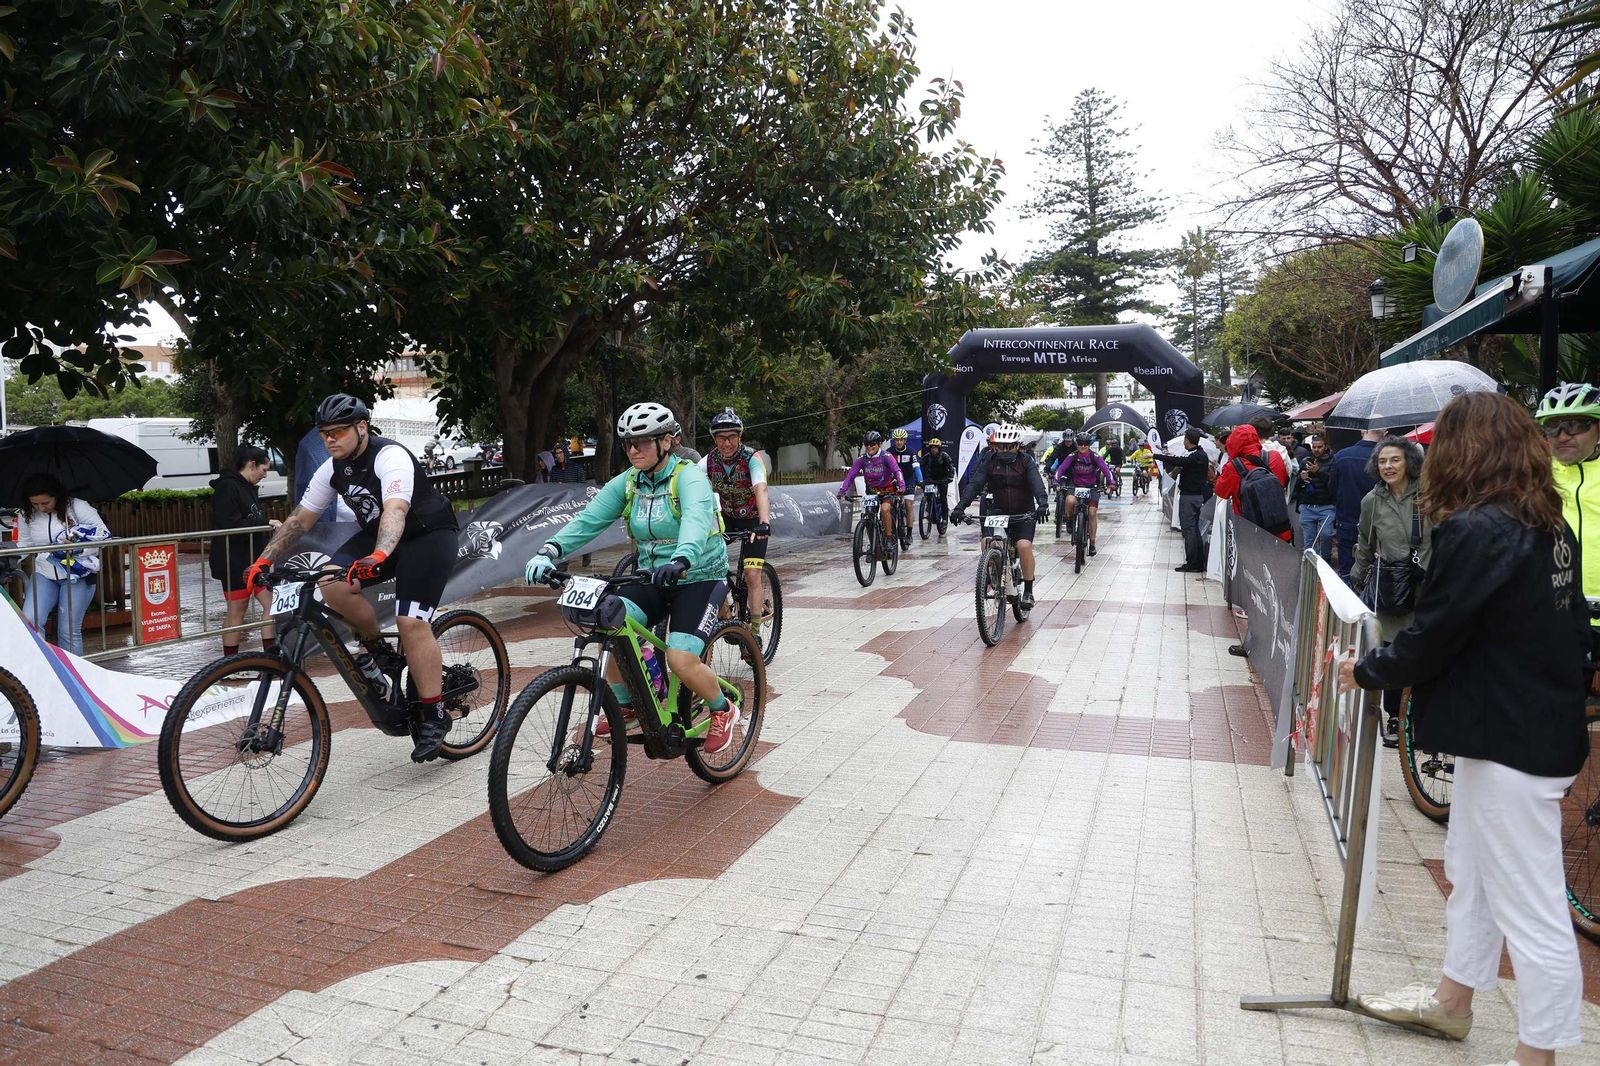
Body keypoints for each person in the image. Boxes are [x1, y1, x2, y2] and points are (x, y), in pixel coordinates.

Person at [1338, 391, 1589, 1066]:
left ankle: (1538, 1055)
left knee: (1531, 906)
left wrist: (1368, 672)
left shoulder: (1478, 528)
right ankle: (1452, 1002)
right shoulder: (1546, 523)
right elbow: (1566, 630)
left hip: (1508, 736)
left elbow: (1437, 630)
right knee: (1472, 871)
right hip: (1525, 727)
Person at [244, 394, 462, 762]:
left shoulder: (389, 456)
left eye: (338, 431)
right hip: (379, 537)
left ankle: (434, 714)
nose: (330, 439)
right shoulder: (332, 468)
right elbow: (300, 519)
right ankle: (379, 651)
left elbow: (395, 509)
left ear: (362, 427)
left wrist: (379, 555)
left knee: (410, 623)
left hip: (427, 536)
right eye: (324, 433)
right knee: (331, 583)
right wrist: (262, 562)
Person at [524, 402, 741, 752]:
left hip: (698, 575)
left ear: (666, 442)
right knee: (608, 623)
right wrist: (549, 550)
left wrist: (682, 558)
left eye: (642, 442)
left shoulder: (688, 477)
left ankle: (723, 709)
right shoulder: (629, 483)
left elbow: (696, 521)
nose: (633, 450)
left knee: (680, 659)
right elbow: (588, 520)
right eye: (627, 443)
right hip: (654, 577)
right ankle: (627, 705)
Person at [1347, 436, 1432, 746]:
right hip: (1392, 590)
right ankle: (1395, 717)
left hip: (1428, 586)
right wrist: (1357, 577)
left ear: (1409, 461)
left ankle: (1422, 716)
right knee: (1394, 650)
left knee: (1427, 650)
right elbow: (1365, 542)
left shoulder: (1430, 494)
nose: (1388, 466)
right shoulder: (1372, 501)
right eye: (1382, 461)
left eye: (1395, 459)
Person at [1537, 382, 1600, 686]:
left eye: (1576, 425)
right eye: (1553, 427)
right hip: (1557, 621)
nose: (1563, 435)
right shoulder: (1535, 477)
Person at [951, 424, 1049, 608]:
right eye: (1000, 446)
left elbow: (1036, 483)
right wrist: (960, 507)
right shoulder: (989, 460)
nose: (1003, 450)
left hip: (1023, 513)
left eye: (1008, 446)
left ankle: (1028, 591)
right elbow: (975, 484)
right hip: (998, 511)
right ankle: (994, 576)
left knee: (1024, 545)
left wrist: (1042, 504)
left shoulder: (1026, 461)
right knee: (987, 542)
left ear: (1017, 445)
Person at [17, 473, 109, 656]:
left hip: (78, 575)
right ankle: (43, 667)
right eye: (35, 504)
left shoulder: (77, 506)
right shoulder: (25, 513)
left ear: (56, 496)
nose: (40, 508)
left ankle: (74, 672)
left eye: (45, 503)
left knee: (68, 631)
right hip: (44, 572)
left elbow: (104, 536)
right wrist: (9, 558)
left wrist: (78, 548)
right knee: (31, 623)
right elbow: (25, 544)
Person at [700, 408, 773, 624]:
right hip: (726, 519)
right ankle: (725, 613)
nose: (727, 443)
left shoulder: (752, 457)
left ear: (740, 436)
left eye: (732, 437)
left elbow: (761, 488)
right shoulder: (708, 461)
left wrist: (764, 522)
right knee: (707, 565)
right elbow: (689, 485)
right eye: (721, 438)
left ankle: (755, 631)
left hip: (753, 521)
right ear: (714, 439)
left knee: (751, 574)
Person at [210, 445, 281, 658]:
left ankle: (271, 658)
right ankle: (230, 662)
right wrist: (265, 523)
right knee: (237, 611)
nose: (265, 475)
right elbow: (229, 524)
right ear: (252, 464)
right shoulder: (228, 487)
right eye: (264, 470)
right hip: (233, 561)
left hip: (254, 560)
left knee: (272, 605)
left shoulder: (247, 487)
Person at [1153, 427, 1210, 572]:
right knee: (1194, 530)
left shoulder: (1195, 457)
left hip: (1190, 498)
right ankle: (1198, 562)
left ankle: (1193, 563)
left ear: (1187, 440)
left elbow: (1177, 461)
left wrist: (1156, 456)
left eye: (1184, 439)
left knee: (1189, 530)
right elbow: (1181, 461)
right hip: (1195, 497)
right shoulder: (1199, 455)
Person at [837, 431, 905, 549]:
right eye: (866, 444)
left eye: (872, 444)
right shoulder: (861, 459)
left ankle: (889, 538)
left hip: (887, 490)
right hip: (871, 491)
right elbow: (850, 476)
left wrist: (902, 486)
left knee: (885, 510)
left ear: (879, 444)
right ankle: (873, 546)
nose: (869, 447)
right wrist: (842, 491)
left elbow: (897, 471)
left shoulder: (887, 457)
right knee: (868, 516)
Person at [1330, 428, 1382, 581]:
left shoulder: (1341, 456)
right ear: (1384, 434)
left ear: (1362, 431)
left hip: (1347, 520)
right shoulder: (1387, 459)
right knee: (1376, 572)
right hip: (1378, 523)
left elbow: (1332, 489)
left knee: (1347, 571)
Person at [1051, 433, 1115, 555]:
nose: (1083, 446)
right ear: (1077, 444)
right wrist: (1055, 481)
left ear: (1089, 444)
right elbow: (1061, 469)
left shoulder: (1095, 456)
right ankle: (1070, 520)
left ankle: (1092, 543)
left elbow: (1106, 470)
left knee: (1092, 513)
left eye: (1086, 444)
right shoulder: (1072, 456)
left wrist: (1111, 483)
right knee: (1069, 501)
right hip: (1075, 485)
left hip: (1092, 487)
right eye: (1080, 444)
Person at [1294, 435, 1337, 562]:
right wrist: (1301, 478)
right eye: (1314, 447)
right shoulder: (1305, 461)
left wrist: (1318, 471)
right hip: (1307, 505)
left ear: (1325, 446)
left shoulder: (1333, 461)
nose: (1316, 450)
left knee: (1326, 535)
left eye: (1319, 447)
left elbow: (1333, 484)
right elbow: (1297, 487)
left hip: (1326, 505)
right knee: (1309, 540)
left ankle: (1326, 560)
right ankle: (1312, 564)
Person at [886, 428, 922, 536]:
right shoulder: (889, 452)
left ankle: (909, 534)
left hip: (908, 480)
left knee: (908, 505)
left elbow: (916, 467)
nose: (899, 442)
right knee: (890, 506)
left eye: (901, 440)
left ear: (905, 440)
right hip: (894, 481)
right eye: (897, 440)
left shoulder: (911, 452)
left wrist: (920, 480)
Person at [921, 437, 956, 533]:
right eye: (932, 448)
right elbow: (920, 466)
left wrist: (950, 477)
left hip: (942, 479)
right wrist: (921, 479)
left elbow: (951, 467)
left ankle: (944, 519)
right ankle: (929, 508)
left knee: (943, 498)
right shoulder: (927, 457)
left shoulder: (944, 456)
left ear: (939, 448)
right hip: (931, 479)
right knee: (928, 496)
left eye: (936, 448)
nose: (934, 450)